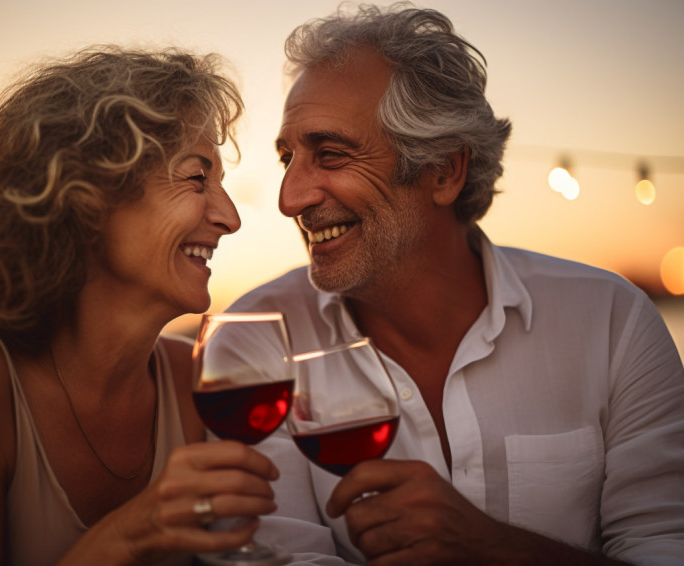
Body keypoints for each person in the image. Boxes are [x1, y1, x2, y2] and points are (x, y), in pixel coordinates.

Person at [225, 3, 684, 565]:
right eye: (288, 158)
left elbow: (665, 548)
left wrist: (493, 549)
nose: (289, 198)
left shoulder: (613, 322)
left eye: (332, 154)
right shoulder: (258, 343)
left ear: (444, 170)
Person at [0, 46, 281, 566]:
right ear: (87, 196)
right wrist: (127, 537)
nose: (230, 217)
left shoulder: (191, 381)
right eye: (197, 178)